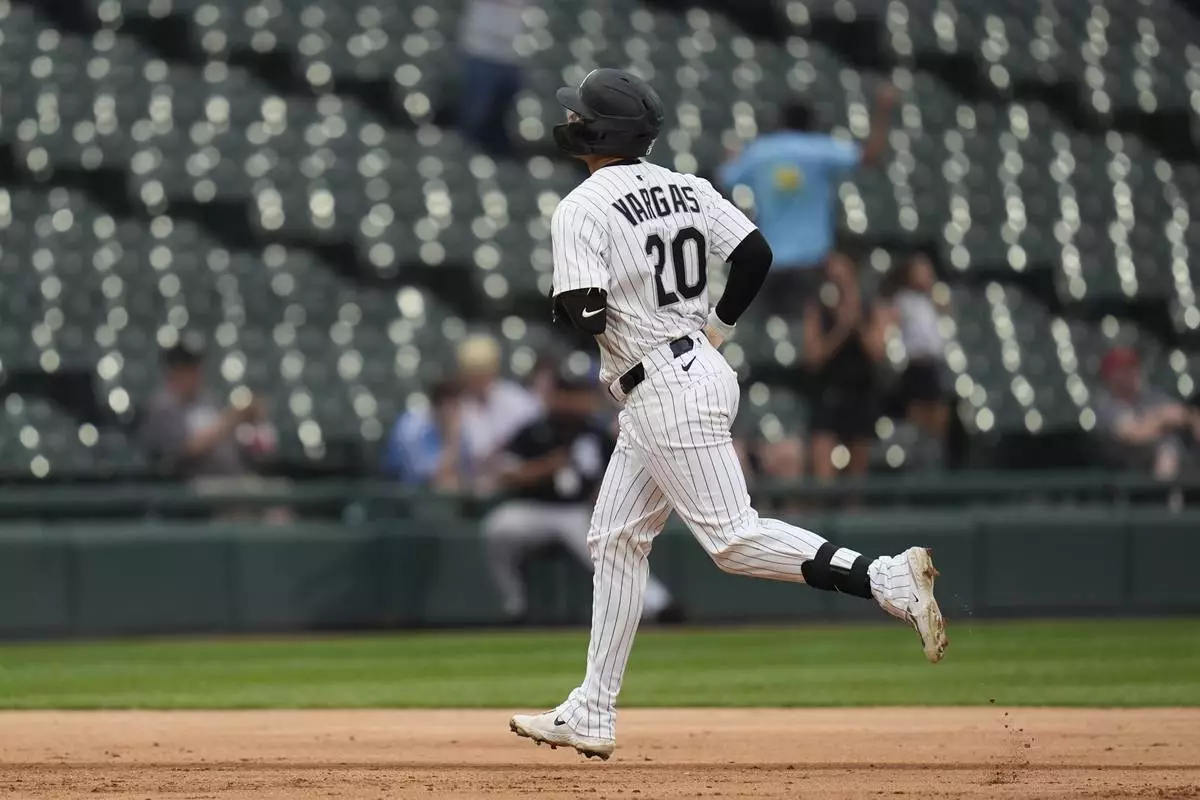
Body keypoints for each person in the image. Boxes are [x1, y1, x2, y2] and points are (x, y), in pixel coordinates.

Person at [508, 68, 947, 761]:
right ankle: (592, 709)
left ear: (596, 131)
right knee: (617, 539)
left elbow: (585, 311)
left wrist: (569, 308)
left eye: (581, 113)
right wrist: (715, 325)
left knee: (732, 540)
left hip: (661, 385)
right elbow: (755, 254)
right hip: (695, 368)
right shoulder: (686, 185)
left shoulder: (582, 206)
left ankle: (887, 578)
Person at [482, 368, 677, 624]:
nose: (573, 401)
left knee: (605, 547)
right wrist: (546, 466)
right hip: (535, 509)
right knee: (497, 527)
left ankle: (657, 605)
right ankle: (514, 605)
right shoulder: (534, 430)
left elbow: (618, 473)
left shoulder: (595, 434)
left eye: (577, 395)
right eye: (566, 395)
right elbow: (506, 473)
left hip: (577, 513)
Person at [716, 86, 896, 315]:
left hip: (767, 264)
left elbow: (724, 179)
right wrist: (884, 110)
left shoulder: (761, 151)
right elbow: (869, 157)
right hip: (812, 265)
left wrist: (731, 155)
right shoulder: (821, 149)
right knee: (806, 337)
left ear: (780, 121)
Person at [139, 337, 287, 521]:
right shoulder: (164, 406)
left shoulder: (208, 401)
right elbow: (188, 449)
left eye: (196, 367)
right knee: (243, 507)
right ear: (174, 371)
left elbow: (232, 441)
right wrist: (232, 418)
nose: (195, 373)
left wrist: (250, 422)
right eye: (187, 368)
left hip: (235, 479)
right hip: (198, 484)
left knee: (280, 494)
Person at [802, 253, 888, 481]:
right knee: (825, 479)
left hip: (861, 393)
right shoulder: (817, 308)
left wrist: (856, 320)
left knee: (856, 480)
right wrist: (841, 328)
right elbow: (813, 358)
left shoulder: (870, 308)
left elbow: (877, 352)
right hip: (828, 394)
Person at [1095, 346, 1200, 487]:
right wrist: (1163, 419)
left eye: (1134, 367)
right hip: (1126, 484)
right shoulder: (1107, 407)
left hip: (1181, 474)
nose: (1133, 373)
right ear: (1111, 376)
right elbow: (1135, 434)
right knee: (1166, 450)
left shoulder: (1151, 397)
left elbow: (1183, 414)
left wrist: (1190, 418)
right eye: (1125, 369)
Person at [882, 253, 950, 461]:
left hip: (933, 364)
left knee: (939, 419)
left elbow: (945, 313)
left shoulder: (933, 299)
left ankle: (936, 458)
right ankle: (915, 459)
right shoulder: (902, 300)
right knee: (917, 419)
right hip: (914, 365)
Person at [455, 333, 542, 488]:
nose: (477, 381)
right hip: (473, 484)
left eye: (482, 373)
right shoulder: (458, 406)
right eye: (472, 375)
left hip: (518, 483)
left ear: (494, 370)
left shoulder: (519, 401)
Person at [456, 0, 528, 157]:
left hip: (513, 57)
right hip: (481, 52)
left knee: (503, 120)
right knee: (474, 117)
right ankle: (465, 158)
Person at [380, 379, 469, 490]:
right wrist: (452, 438)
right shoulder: (411, 428)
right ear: (434, 405)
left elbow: (471, 470)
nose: (450, 412)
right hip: (410, 493)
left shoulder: (463, 424)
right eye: (446, 406)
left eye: (455, 406)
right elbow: (435, 475)